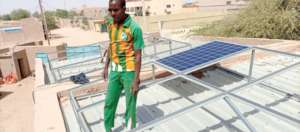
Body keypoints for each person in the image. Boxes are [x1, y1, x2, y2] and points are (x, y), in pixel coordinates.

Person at [102, 0, 144, 131]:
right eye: (110, 10)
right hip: (115, 70)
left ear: (124, 8)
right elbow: (111, 45)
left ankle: (130, 127)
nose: (112, 13)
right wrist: (106, 67)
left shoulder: (134, 28)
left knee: (130, 104)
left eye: (116, 10)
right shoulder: (110, 24)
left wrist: (136, 79)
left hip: (129, 71)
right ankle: (108, 128)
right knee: (109, 102)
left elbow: (138, 55)